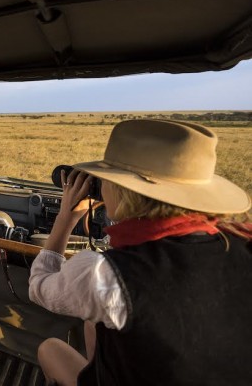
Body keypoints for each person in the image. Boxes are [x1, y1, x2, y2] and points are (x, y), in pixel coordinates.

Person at [28, 119, 252, 386]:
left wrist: (66, 217)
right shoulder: (241, 242)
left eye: (107, 180)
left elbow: (39, 284)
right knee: (93, 323)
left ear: (124, 191)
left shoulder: (107, 276)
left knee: (50, 349)